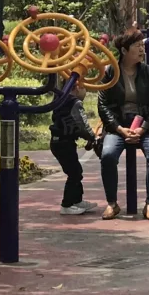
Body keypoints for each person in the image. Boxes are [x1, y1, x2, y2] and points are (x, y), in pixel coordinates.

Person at [97, 27, 149, 221]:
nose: (142, 49)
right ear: (124, 50)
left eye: (142, 45)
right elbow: (103, 105)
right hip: (117, 126)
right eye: (137, 46)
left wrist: (143, 129)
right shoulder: (110, 72)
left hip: (143, 125)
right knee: (108, 155)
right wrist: (119, 128)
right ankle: (112, 204)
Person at [50, 79, 97, 215]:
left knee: (76, 171)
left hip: (59, 142)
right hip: (63, 143)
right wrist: (92, 137)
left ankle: (77, 201)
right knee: (74, 173)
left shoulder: (59, 100)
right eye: (83, 87)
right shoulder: (74, 102)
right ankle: (67, 204)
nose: (85, 91)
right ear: (76, 87)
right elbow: (82, 123)